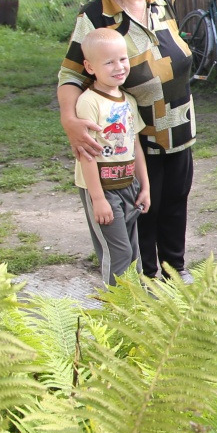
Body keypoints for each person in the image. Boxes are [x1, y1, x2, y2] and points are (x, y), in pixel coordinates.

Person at [59, 0, 196, 281]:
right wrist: (70, 120)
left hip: (178, 124)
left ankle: (175, 269)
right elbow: (71, 74)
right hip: (134, 133)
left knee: (176, 201)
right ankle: (148, 276)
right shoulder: (96, 14)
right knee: (144, 208)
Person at [71, 28, 151, 284]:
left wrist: (145, 187)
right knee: (118, 253)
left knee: (133, 252)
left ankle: (136, 306)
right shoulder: (89, 102)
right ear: (90, 67)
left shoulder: (128, 100)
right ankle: (115, 309)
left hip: (128, 185)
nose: (119, 67)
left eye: (123, 59)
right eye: (109, 62)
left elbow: (135, 145)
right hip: (103, 189)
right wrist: (98, 199)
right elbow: (87, 155)